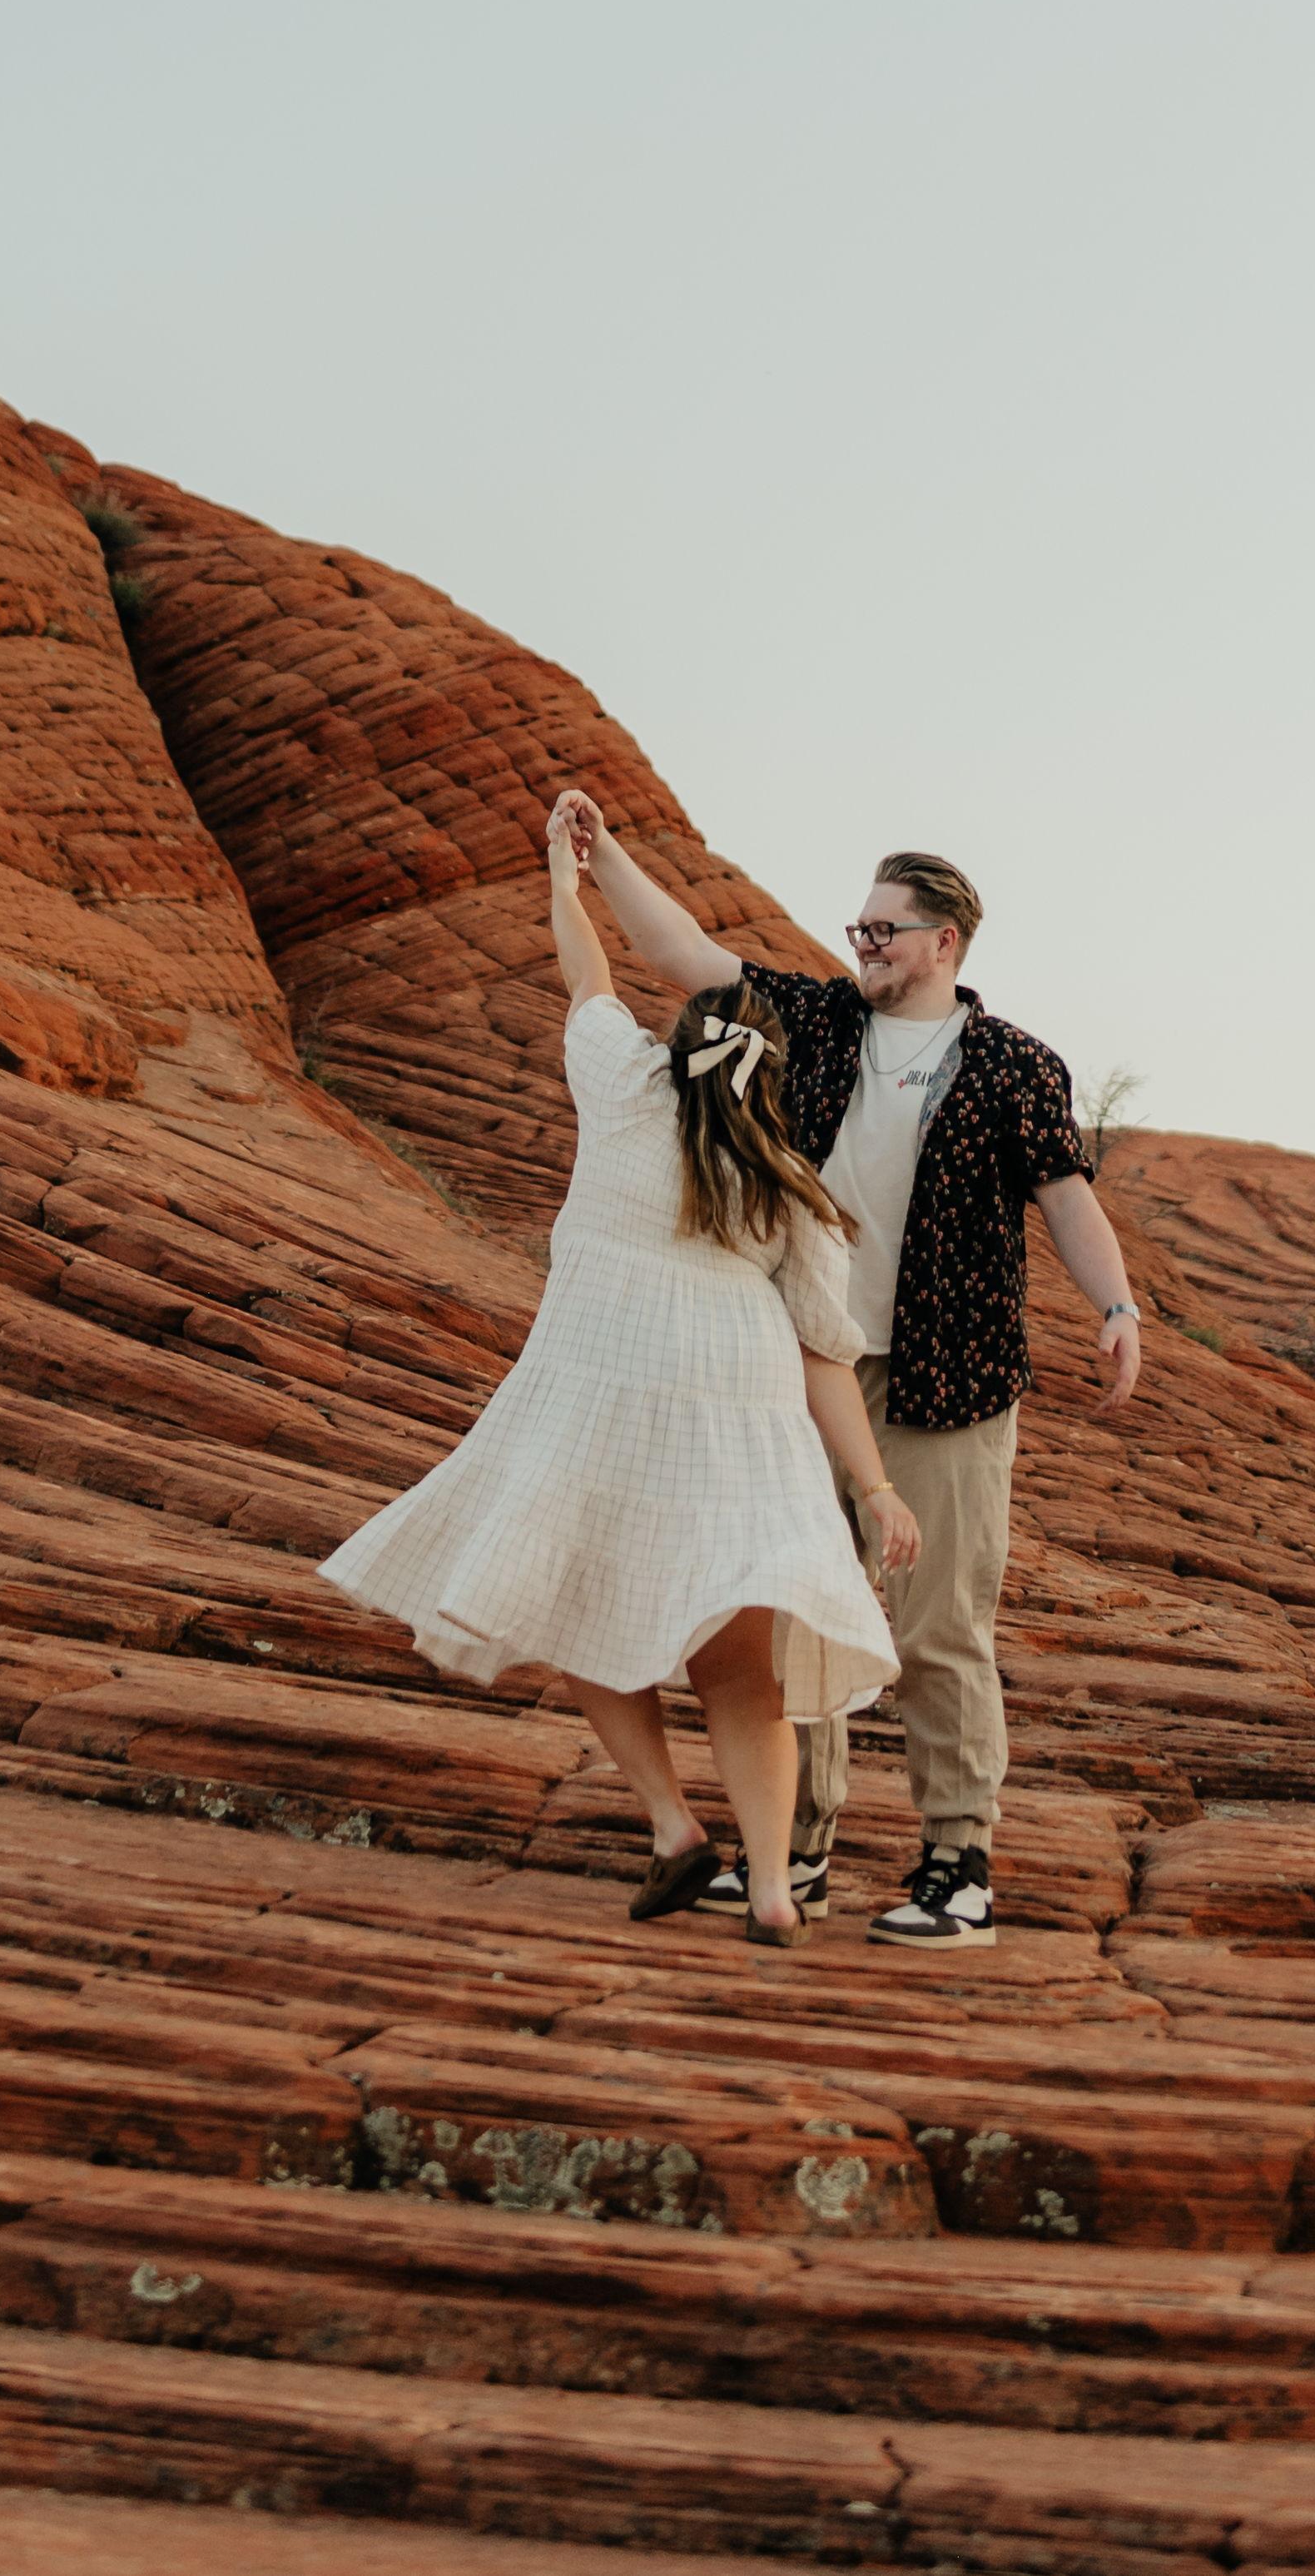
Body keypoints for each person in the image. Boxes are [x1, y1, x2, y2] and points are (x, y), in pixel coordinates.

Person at [546, 795, 1144, 1951]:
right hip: (801, 1366)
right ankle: (799, 1852)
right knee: (799, 1611)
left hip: (949, 1378)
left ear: (944, 942)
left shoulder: (1013, 1063)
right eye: (858, 927)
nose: (862, 944)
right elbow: (683, 953)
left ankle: (957, 1865)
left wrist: (1115, 1305)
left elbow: (1066, 1195)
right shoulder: (820, 1020)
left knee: (939, 1626)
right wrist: (601, 852)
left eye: (883, 930)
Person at [317, 802, 919, 1946]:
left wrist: (566, 875)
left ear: (680, 1042)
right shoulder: (788, 1182)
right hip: (738, 1421)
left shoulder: (625, 1089)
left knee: (574, 1603)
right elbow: (823, 1352)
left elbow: (586, 973)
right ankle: (773, 1890)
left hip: (602, 1393)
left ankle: (673, 1826)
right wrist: (875, 1486)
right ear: (772, 1077)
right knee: (740, 1672)